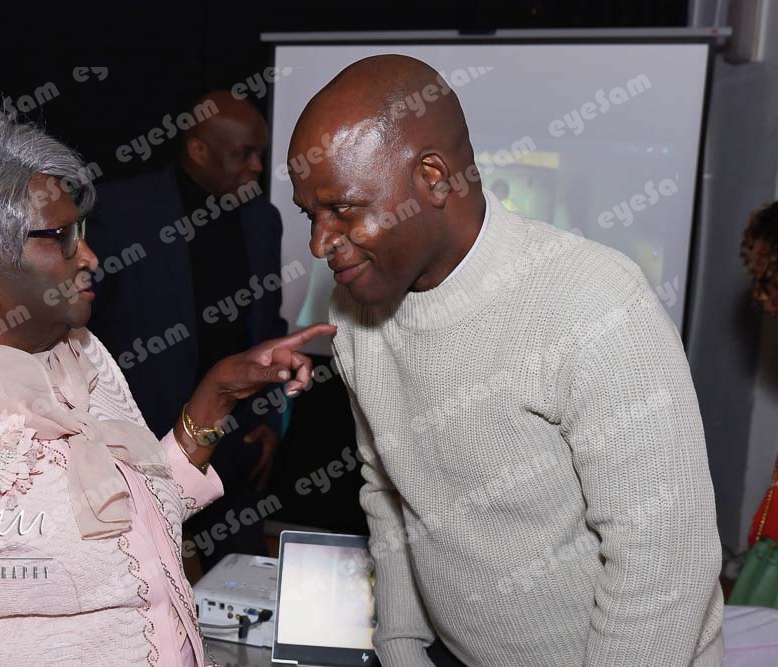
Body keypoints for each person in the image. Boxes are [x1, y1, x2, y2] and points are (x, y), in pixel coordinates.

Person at [0, 106, 332, 666]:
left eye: (80, 232)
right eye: (61, 237)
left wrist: (217, 394)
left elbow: (137, 521)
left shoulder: (82, 358)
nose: (89, 256)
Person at [289, 55, 723, 666]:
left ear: (433, 178)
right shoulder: (355, 310)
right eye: (311, 215)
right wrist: (401, 648)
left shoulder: (595, 301)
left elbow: (666, 558)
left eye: (343, 210)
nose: (319, 243)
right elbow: (387, 491)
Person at [88, 91, 287, 569]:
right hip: (137, 444)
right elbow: (84, 328)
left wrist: (270, 418)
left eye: (261, 154)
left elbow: (270, 327)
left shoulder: (263, 220)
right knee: (136, 580)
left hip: (233, 440)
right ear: (198, 150)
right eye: (245, 154)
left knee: (245, 581)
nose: (258, 167)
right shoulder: (120, 210)